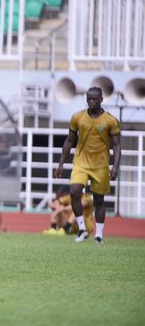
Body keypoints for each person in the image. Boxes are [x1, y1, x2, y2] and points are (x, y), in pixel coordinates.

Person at [55, 87, 121, 244]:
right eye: (89, 99)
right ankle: (82, 229)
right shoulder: (78, 117)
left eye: (95, 99)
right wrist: (61, 162)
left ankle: (99, 235)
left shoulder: (110, 120)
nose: (91, 102)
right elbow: (70, 141)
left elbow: (117, 146)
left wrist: (116, 166)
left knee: (99, 200)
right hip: (81, 162)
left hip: (101, 165)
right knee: (74, 191)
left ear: (101, 100)